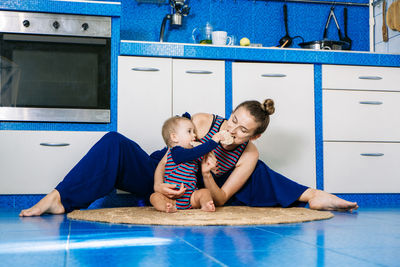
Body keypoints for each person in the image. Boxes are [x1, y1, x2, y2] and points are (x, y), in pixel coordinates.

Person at [19, 99, 358, 217]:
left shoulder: (250, 153)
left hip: (198, 192)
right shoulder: (204, 121)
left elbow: (223, 197)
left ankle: (313, 195)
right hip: (164, 173)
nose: (233, 131)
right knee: (114, 142)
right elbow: (174, 150)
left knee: (262, 175)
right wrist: (157, 187)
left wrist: (209, 174)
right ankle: (59, 198)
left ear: (255, 136)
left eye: (243, 131)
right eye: (233, 121)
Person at [150, 116, 225, 213]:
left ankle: (206, 204)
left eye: (194, 131)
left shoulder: (190, 155)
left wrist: (212, 168)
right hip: (171, 198)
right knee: (154, 197)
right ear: (174, 137)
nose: (194, 135)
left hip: (190, 197)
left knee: (204, 192)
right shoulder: (176, 152)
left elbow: (202, 159)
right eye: (189, 131)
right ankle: (166, 207)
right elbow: (196, 152)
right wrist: (213, 141)